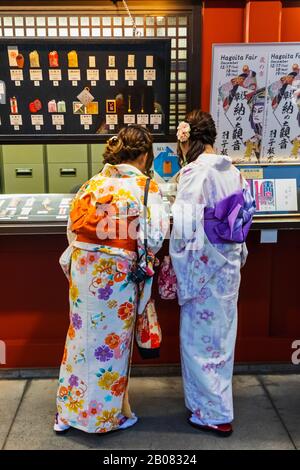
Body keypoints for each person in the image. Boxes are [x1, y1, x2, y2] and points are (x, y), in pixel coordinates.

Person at [54, 125, 168, 434]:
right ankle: (103, 417)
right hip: (116, 273)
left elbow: (73, 229)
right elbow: (155, 235)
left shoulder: (93, 184)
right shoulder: (144, 187)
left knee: (80, 338)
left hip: (83, 267)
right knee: (112, 343)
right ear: (144, 155)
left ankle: (67, 413)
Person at [170, 110, 255, 437]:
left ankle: (212, 413)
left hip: (204, 266)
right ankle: (214, 404)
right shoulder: (232, 170)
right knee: (221, 338)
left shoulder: (194, 173)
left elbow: (186, 226)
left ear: (187, 139)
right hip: (229, 262)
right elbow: (242, 220)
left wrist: (183, 268)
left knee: (198, 341)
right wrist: (235, 252)